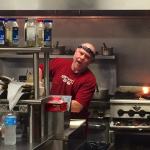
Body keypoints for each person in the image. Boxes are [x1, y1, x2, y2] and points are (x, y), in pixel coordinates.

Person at [39, 42, 97, 119]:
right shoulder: (59, 62)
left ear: (90, 62)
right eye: (81, 53)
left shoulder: (89, 79)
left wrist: (50, 104)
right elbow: (40, 69)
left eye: (87, 57)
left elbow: (77, 107)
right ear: (75, 52)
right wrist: (38, 86)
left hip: (74, 122)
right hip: (53, 117)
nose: (82, 57)